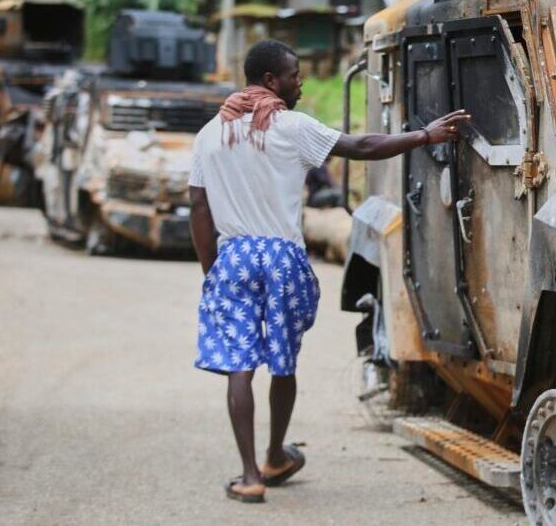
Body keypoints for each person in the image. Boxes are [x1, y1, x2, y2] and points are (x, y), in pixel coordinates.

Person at [188, 39, 469, 503]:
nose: (300, 82)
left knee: (240, 366)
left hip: (233, 257)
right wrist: (424, 135)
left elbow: (199, 207)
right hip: (282, 256)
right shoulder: (291, 126)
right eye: (294, 74)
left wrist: (211, 272)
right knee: (283, 361)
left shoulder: (210, 134)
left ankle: (250, 477)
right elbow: (362, 145)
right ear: (271, 80)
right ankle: (275, 455)